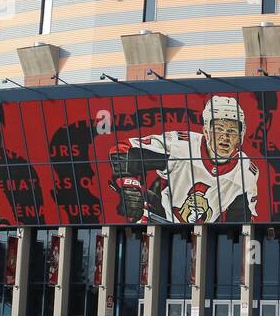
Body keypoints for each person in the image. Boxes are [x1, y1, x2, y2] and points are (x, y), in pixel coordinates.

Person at [109, 95, 258, 223]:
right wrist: (129, 186)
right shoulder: (180, 146)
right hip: (158, 220)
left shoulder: (246, 173)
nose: (225, 137)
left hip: (201, 237)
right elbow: (123, 150)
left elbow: (241, 222)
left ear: (241, 136)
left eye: (232, 131)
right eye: (218, 128)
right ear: (206, 131)